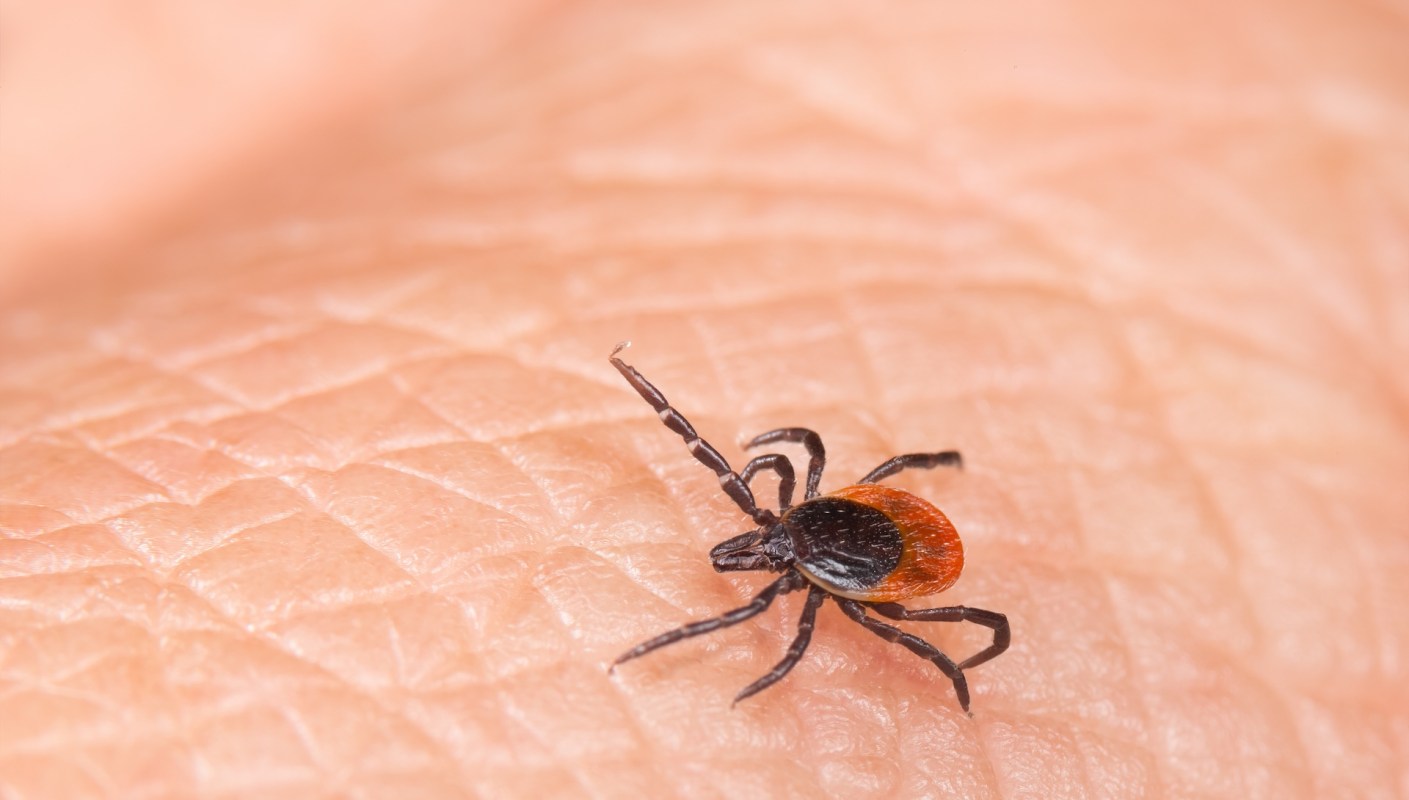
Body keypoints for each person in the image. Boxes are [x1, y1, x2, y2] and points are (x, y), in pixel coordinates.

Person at [2, 3, 1404, 797]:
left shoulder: (820, 594)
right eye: (769, 535)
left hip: (895, 523)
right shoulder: (824, 537)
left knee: (910, 630)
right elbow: (820, 493)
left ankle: (946, 678)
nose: (756, 546)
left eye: (767, 547)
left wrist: (763, 661)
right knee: (866, 541)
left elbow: (832, 623)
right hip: (893, 512)